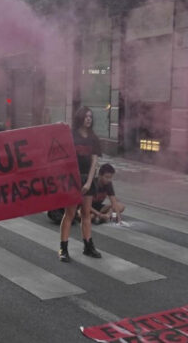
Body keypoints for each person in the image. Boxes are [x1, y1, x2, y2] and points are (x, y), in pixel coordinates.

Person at [59, 106, 102, 262]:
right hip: (72, 180)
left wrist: (89, 182)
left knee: (85, 214)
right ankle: (63, 249)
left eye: (90, 116)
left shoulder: (94, 138)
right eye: (86, 116)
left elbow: (94, 162)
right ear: (80, 118)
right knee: (69, 214)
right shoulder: (71, 135)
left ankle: (88, 246)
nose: (89, 119)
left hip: (87, 181)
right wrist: (58, 127)